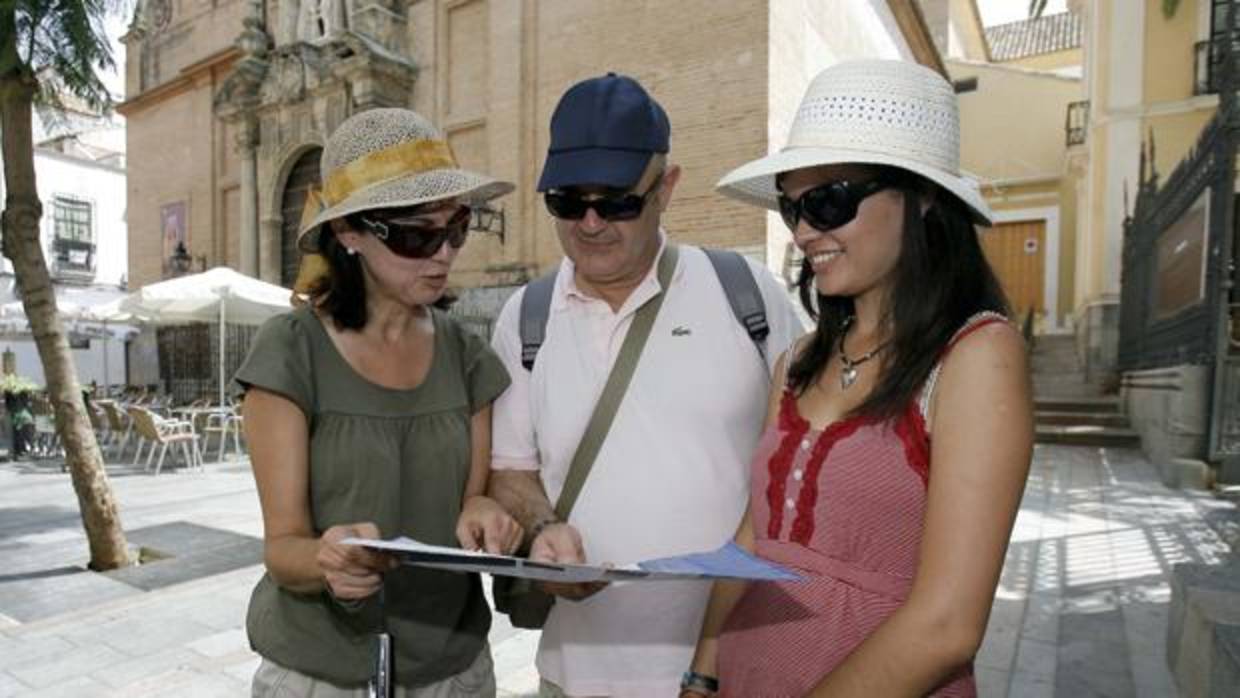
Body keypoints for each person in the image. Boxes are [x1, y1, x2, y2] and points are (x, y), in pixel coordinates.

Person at [682, 59, 1035, 698]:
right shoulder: (797, 362)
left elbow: (948, 626)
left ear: (923, 197)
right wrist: (702, 672)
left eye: (829, 200)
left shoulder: (976, 357)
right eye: (793, 208)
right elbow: (753, 534)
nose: (805, 230)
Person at [486, 73, 804, 697]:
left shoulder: (749, 298)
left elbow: (808, 460)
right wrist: (543, 528)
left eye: (617, 201)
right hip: (574, 675)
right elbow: (510, 469)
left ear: (667, 188)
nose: (592, 222)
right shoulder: (524, 317)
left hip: (735, 672)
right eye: (567, 201)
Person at [233, 108, 522, 697]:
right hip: (320, 673)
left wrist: (484, 514)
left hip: (454, 671)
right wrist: (327, 559)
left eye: (457, 228)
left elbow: (474, 495)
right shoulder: (291, 351)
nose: (443, 253)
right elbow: (282, 547)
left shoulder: (468, 354)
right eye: (418, 234)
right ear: (349, 234)